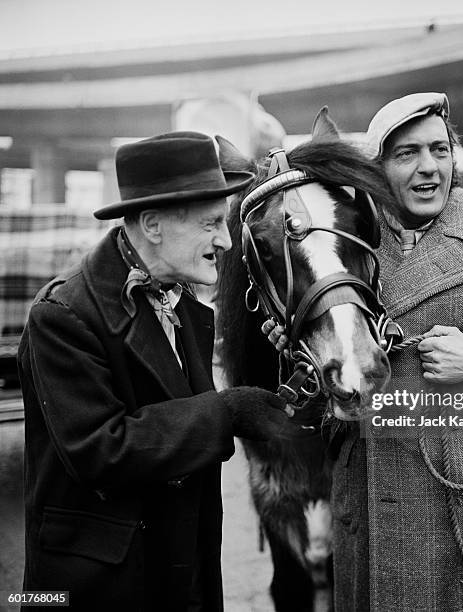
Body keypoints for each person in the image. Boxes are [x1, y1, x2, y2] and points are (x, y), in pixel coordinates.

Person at [265, 93, 463, 611]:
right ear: (377, 168)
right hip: (373, 500)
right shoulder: (345, 238)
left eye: (440, 149)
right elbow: (327, 369)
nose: (428, 167)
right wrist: (299, 357)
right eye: (406, 154)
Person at [17, 132, 302, 612]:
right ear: (152, 225)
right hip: (97, 587)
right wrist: (227, 411)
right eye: (211, 224)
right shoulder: (61, 316)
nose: (226, 241)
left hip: (178, 567)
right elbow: (99, 451)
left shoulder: (182, 300)